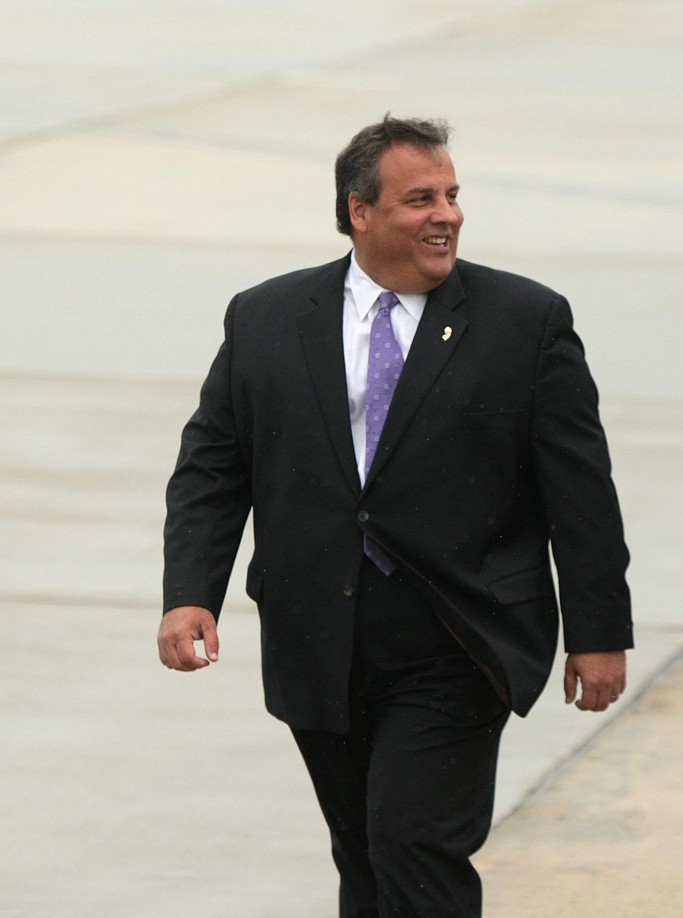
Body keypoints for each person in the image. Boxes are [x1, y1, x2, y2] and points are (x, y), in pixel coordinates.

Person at [157, 116, 633, 917]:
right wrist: (188, 591)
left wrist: (597, 632)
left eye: (451, 195)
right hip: (318, 637)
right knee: (368, 858)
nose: (446, 213)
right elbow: (214, 464)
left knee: (414, 843)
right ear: (360, 212)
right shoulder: (268, 317)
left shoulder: (526, 321)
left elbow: (580, 492)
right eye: (420, 198)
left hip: (458, 637)